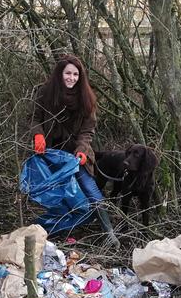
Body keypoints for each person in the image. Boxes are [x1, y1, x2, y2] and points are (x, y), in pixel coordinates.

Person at [31, 55, 120, 248]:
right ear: (59, 74)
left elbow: (87, 131)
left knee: (90, 189)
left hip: (76, 156)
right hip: (50, 154)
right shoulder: (45, 93)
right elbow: (34, 117)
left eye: (75, 74)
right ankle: (52, 231)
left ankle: (109, 233)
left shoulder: (86, 98)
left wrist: (82, 151)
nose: (71, 78)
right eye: (68, 73)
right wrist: (38, 135)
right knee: (58, 195)